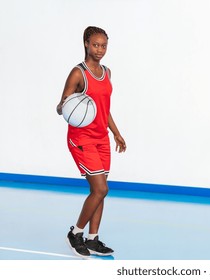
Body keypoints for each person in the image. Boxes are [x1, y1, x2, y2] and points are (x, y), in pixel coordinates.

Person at [56, 26, 126, 257]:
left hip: (101, 138)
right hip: (82, 138)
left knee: (101, 191)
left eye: (104, 45)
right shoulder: (78, 73)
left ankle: (93, 239)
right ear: (86, 43)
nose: (100, 50)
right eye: (96, 45)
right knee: (100, 188)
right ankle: (75, 233)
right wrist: (69, 106)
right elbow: (61, 106)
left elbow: (104, 110)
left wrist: (116, 133)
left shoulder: (107, 72)